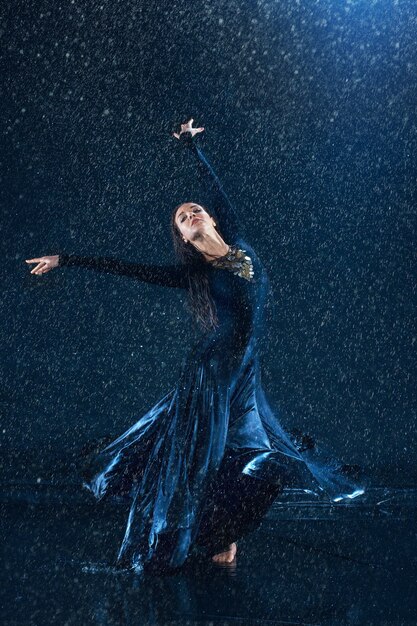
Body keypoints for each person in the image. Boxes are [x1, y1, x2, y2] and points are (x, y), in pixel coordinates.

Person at [26, 118, 364, 573]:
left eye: (195, 210)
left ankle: (219, 534)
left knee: (252, 454)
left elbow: (215, 185)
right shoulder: (194, 274)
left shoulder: (239, 242)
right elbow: (125, 268)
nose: (191, 214)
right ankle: (189, 539)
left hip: (244, 374)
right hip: (211, 375)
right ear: (183, 238)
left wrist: (191, 145)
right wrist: (66, 259)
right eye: (182, 218)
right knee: (200, 462)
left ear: (212, 218)